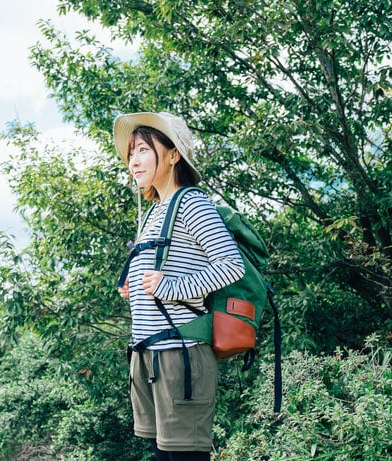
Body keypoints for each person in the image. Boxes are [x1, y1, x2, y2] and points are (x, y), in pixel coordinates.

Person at [113, 112, 245, 461]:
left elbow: (231, 265)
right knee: (161, 455)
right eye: (130, 153)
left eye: (143, 149)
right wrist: (135, 287)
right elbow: (165, 271)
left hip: (181, 353)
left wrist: (170, 286)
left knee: (185, 457)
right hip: (147, 353)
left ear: (173, 155)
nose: (133, 160)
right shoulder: (155, 211)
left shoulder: (191, 202)